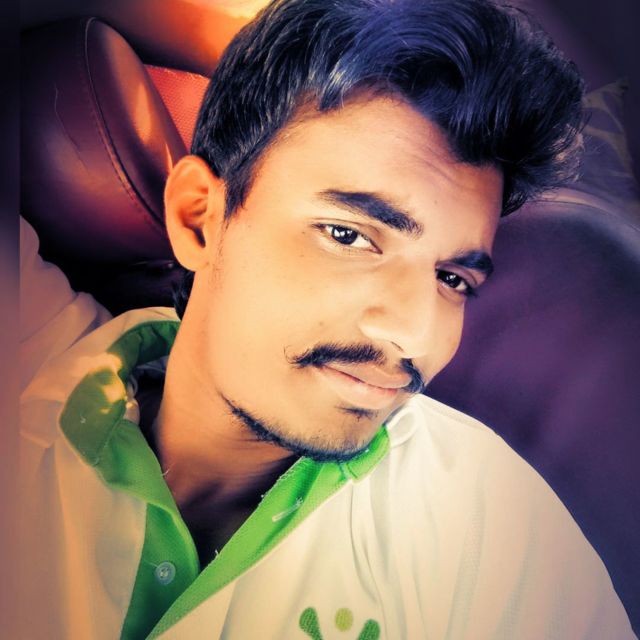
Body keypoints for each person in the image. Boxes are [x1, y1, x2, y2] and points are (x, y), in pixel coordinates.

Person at [19, 0, 636, 638]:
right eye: (349, 235)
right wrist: (262, 55)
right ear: (199, 218)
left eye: (452, 278)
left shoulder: (489, 533)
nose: (414, 333)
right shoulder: (25, 353)